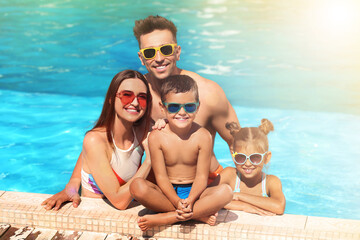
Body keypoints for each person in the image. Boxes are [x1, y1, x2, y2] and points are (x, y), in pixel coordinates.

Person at [42, 15, 239, 210]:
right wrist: (72, 184)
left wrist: (254, 186)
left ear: (177, 52)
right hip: (158, 189)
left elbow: (239, 143)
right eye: (150, 52)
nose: (159, 58)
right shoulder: (138, 96)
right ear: (142, 57)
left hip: (203, 184)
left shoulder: (208, 93)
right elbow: (100, 139)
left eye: (166, 49)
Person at [130, 75, 233, 231]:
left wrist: (191, 199)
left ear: (198, 107)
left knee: (226, 192)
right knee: (137, 186)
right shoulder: (157, 136)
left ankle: (169, 217)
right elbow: (161, 177)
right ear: (163, 108)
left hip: (196, 194)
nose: (182, 112)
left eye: (189, 107)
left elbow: (201, 177)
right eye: (173, 107)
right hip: (167, 194)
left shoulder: (203, 136)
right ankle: (198, 215)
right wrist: (176, 200)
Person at [41, 70, 153, 210]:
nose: (135, 102)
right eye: (126, 95)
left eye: (142, 97)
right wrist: (149, 160)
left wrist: (70, 190)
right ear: (111, 99)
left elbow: (76, 177)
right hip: (94, 217)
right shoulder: (95, 140)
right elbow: (119, 202)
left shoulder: (142, 133)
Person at [213, 119, 285, 216]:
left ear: (266, 157)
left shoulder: (271, 181)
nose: (247, 163)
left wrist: (238, 196)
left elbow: (279, 207)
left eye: (255, 157)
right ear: (233, 155)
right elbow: (205, 197)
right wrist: (242, 206)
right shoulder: (229, 175)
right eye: (241, 157)